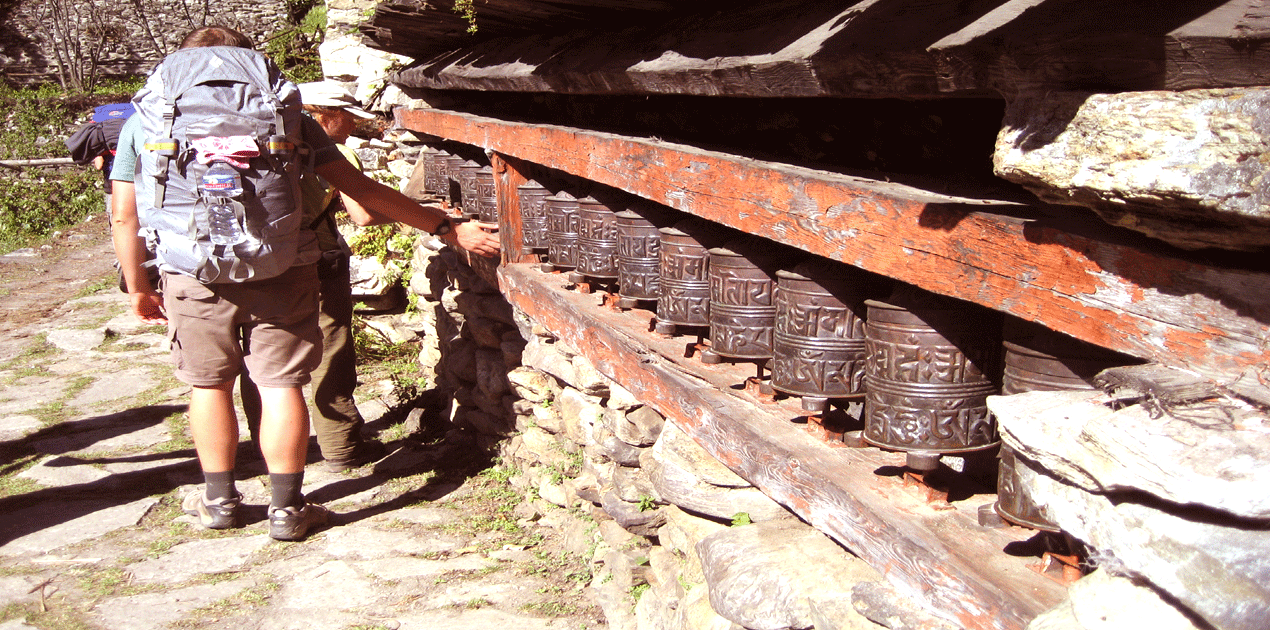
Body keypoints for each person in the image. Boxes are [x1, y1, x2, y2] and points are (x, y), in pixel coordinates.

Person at [110, 26, 499, 541]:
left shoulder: (146, 119)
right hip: (283, 266)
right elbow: (358, 187)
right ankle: (287, 510)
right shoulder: (286, 114)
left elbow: (123, 215)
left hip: (192, 269)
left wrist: (139, 284)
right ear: (248, 61)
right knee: (281, 385)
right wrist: (445, 228)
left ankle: (221, 500)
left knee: (209, 385)